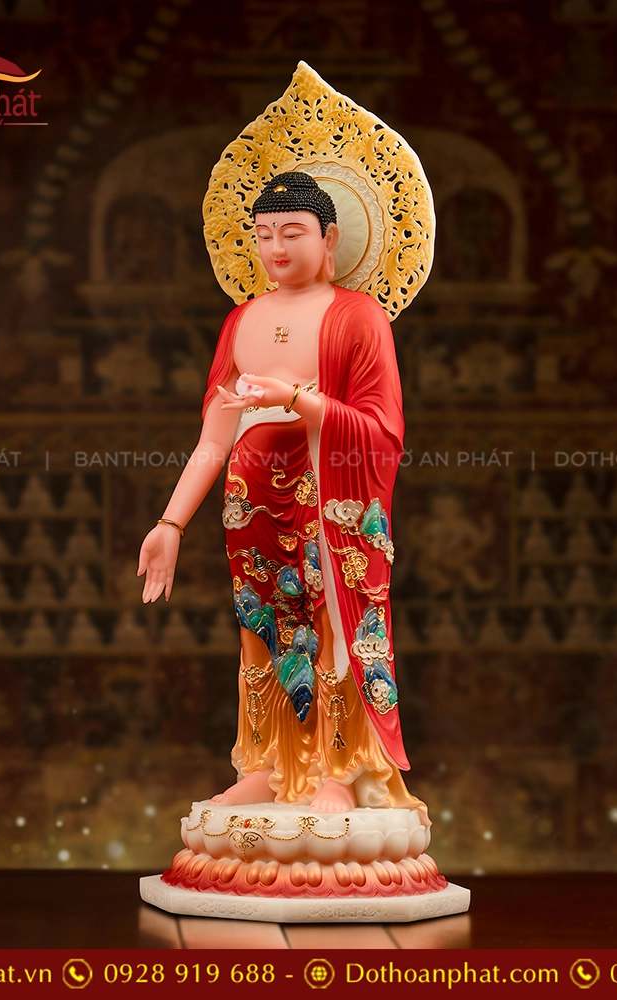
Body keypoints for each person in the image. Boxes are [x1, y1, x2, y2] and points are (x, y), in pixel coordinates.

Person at [137, 171, 426, 820]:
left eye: (292, 232)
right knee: (263, 628)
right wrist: (170, 523)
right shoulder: (242, 319)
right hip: (252, 504)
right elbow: (214, 436)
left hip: (327, 494)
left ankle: (338, 766)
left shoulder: (358, 316)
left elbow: (382, 429)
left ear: (330, 239)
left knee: (330, 624)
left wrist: (294, 398)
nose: (276, 248)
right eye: (264, 234)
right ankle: (269, 764)